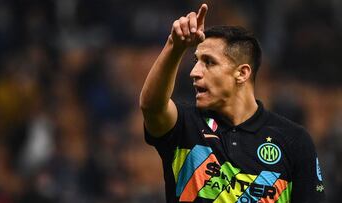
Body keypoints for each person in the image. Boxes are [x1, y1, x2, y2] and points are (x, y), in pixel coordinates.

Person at [139, 3, 325, 203]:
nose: (194, 72)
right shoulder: (185, 126)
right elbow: (152, 106)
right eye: (196, 62)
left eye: (209, 62)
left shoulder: (293, 140)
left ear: (242, 73)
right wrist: (174, 46)